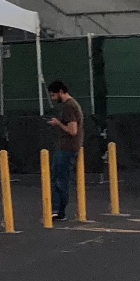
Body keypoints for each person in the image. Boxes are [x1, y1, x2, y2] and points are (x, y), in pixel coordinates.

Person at [45, 79, 82, 221]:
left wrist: (58, 123)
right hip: (68, 148)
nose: (53, 99)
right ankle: (59, 210)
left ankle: (57, 210)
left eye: (54, 95)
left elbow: (72, 130)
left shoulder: (69, 107)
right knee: (61, 179)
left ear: (61, 92)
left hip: (67, 148)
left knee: (59, 179)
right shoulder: (72, 105)